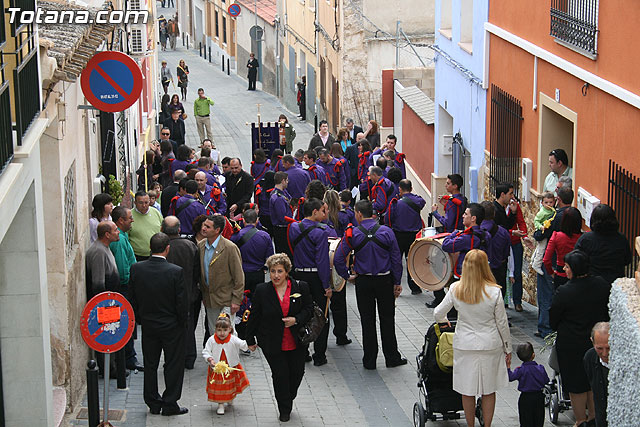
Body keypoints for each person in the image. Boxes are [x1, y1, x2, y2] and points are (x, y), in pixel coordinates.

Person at [434, 249, 511, 427]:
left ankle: (470, 425)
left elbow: (438, 313)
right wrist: (508, 348)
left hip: (465, 345)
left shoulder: (456, 289)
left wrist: (446, 323)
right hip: (490, 344)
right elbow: (502, 324)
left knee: (467, 390)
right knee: (489, 390)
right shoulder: (494, 292)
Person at [334, 200, 406, 370]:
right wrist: (397, 281)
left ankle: (370, 361)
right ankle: (392, 357)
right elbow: (396, 259)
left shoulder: (353, 234)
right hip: (385, 280)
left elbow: (338, 258)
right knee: (387, 319)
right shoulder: (387, 232)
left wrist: (347, 276)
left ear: (359, 213)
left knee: (367, 321)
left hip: (363, 281)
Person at [246, 254, 314, 422]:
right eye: (272, 271)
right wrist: (249, 339)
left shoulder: (301, 287)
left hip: (296, 340)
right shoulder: (262, 290)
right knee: (280, 374)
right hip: (271, 340)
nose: (276, 275)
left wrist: (296, 319)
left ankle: (288, 396)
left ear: (287, 272)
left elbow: (309, 309)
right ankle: (284, 408)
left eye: (279, 271)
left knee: (297, 372)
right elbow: (254, 315)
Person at [129, 233, 188, 416]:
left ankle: (153, 402)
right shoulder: (176, 271)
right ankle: (170, 403)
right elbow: (181, 303)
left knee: (150, 364)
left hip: (149, 325)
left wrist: (141, 318)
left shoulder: (137, 269)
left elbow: (133, 298)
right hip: (172, 326)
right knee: (173, 364)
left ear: (150, 248)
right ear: (167, 248)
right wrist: (182, 323)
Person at [550, 250, 610, 425]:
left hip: (571, 344)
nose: (564, 269)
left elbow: (554, 319)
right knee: (593, 381)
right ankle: (593, 417)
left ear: (574, 269)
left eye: (567, 266)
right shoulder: (601, 285)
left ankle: (580, 420)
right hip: (595, 341)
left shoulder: (564, 292)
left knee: (576, 385)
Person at [287, 198, 333, 366]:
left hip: (298, 275)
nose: (325, 213)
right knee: (321, 315)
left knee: (300, 313)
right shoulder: (321, 232)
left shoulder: (293, 227)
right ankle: (319, 355)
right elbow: (321, 261)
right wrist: (326, 285)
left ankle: (302, 351)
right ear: (314, 212)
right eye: (323, 210)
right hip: (315, 277)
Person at [431, 203, 491, 309]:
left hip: (463, 276)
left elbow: (446, 245)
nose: (463, 216)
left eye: (465, 214)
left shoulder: (466, 237)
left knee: (456, 308)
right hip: (481, 275)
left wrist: (454, 234)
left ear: (473, 218)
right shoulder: (486, 234)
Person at [161, 216, 200, 370]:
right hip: (189, 294)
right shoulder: (190, 246)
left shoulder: (162, 247)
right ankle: (189, 357)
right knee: (188, 326)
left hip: (167, 295)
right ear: (179, 229)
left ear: (163, 229)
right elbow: (197, 271)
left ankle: (173, 358)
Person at [196, 215, 245, 332]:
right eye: (204, 225)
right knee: (214, 332)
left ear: (217, 230)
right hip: (210, 300)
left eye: (207, 227)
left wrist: (236, 300)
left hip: (227, 299)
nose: (203, 228)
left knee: (228, 333)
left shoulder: (230, 248)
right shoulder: (201, 246)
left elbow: (239, 276)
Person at [109, 207, 144, 371]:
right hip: (125, 288)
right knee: (126, 323)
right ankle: (128, 358)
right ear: (121, 220)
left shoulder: (123, 236)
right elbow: (123, 270)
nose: (133, 220)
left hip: (126, 287)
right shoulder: (120, 240)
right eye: (130, 218)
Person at [202, 313, 250, 415]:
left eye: (225, 330)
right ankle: (220, 404)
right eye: (219, 330)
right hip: (218, 369)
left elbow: (242, 344)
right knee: (220, 387)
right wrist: (210, 359)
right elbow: (206, 351)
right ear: (215, 330)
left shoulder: (233, 339)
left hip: (230, 367)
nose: (222, 333)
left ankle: (230, 396)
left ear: (230, 330)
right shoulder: (212, 340)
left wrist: (251, 344)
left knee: (230, 384)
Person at [574, 204, 632, 286]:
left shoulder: (585, 239)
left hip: (592, 284)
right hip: (615, 283)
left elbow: (577, 260)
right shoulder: (621, 239)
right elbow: (627, 260)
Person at [385, 179, 425, 295]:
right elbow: (422, 202)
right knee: (412, 260)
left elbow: (388, 219)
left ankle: (395, 285)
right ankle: (415, 287)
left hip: (399, 235)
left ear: (400, 189)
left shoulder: (396, 203)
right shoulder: (418, 201)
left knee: (397, 260)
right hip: (414, 235)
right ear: (411, 189)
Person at [230, 209, 274, 295]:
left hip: (240, 273)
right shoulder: (265, 236)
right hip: (258, 273)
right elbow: (270, 257)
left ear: (243, 220)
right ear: (257, 220)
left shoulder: (236, 236)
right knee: (257, 302)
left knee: (241, 301)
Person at [507, 342, 549, 427]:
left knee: (525, 420)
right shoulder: (540, 368)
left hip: (525, 398)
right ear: (533, 355)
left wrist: (508, 367)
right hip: (539, 397)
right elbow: (546, 380)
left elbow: (510, 377)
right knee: (538, 419)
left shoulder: (520, 370)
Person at [543, 207, 582, 289]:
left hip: (561, 274)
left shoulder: (557, 236)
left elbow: (546, 260)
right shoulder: (583, 238)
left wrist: (552, 273)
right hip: (579, 275)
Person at [480, 201, 511, 298]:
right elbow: (506, 252)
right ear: (494, 214)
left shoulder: (476, 232)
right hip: (499, 268)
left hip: (481, 270)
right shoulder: (503, 232)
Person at [583, 322, 610, 427]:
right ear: (592, 342)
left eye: (608, 348)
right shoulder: (589, 358)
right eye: (599, 348)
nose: (604, 353)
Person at [129, 191, 164, 261]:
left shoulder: (156, 212)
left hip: (156, 255)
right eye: (141, 203)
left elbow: (162, 229)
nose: (144, 205)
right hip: (137, 256)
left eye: (146, 202)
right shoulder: (129, 216)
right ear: (135, 203)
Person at [508, 199, 528, 312]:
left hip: (515, 242)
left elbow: (521, 222)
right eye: (510, 193)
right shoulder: (498, 208)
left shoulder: (515, 206)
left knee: (517, 273)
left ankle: (517, 301)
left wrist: (524, 235)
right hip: (503, 242)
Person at [531, 192, 556, 275]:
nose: (548, 204)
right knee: (542, 248)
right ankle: (536, 264)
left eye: (550, 202)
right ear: (542, 203)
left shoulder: (552, 210)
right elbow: (536, 221)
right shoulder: (542, 212)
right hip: (542, 232)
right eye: (546, 202)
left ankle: (533, 260)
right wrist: (541, 227)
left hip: (545, 231)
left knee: (539, 247)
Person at [270, 171, 294, 259]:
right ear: (283, 181)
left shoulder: (281, 193)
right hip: (282, 229)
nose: (287, 183)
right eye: (287, 180)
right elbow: (282, 217)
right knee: (284, 253)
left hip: (282, 228)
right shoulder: (278, 198)